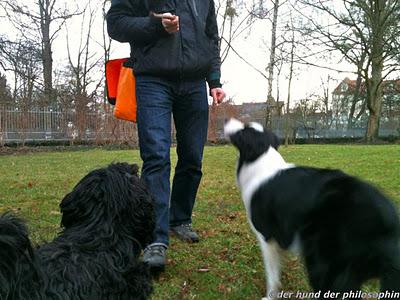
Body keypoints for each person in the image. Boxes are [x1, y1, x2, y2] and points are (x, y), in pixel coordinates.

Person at [106, 0, 226, 272]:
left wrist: (215, 80)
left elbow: (211, 37)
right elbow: (116, 23)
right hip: (152, 80)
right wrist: (154, 24)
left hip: (195, 83)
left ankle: (180, 219)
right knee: (156, 157)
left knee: (193, 157)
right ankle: (155, 238)